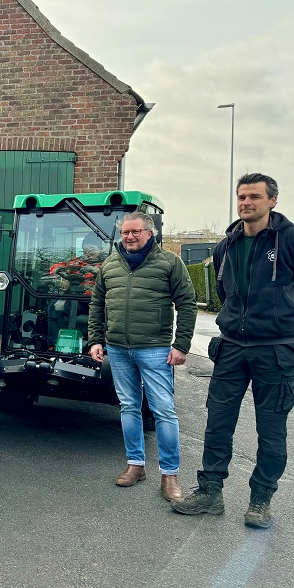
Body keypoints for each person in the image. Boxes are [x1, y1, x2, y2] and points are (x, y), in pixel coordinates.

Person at [172, 173, 294, 528]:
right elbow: (226, 295)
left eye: (254, 197)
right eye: (241, 196)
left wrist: (286, 325)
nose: (246, 202)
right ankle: (210, 492)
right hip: (230, 349)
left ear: (272, 200)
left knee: (271, 430)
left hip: (275, 351)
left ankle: (261, 499)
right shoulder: (226, 245)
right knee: (217, 424)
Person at [88, 212, 197, 501]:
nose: (129, 237)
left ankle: (170, 474)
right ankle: (135, 465)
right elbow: (97, 305)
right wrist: (95, 340)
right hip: (118, 349)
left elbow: (187, 304)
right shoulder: (110, 265)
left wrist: (181, 345)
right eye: (125, 232)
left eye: (135, 231)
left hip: (156, 349)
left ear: (150, 233)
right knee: (128, 407)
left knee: (163, 410)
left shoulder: (169, 263)